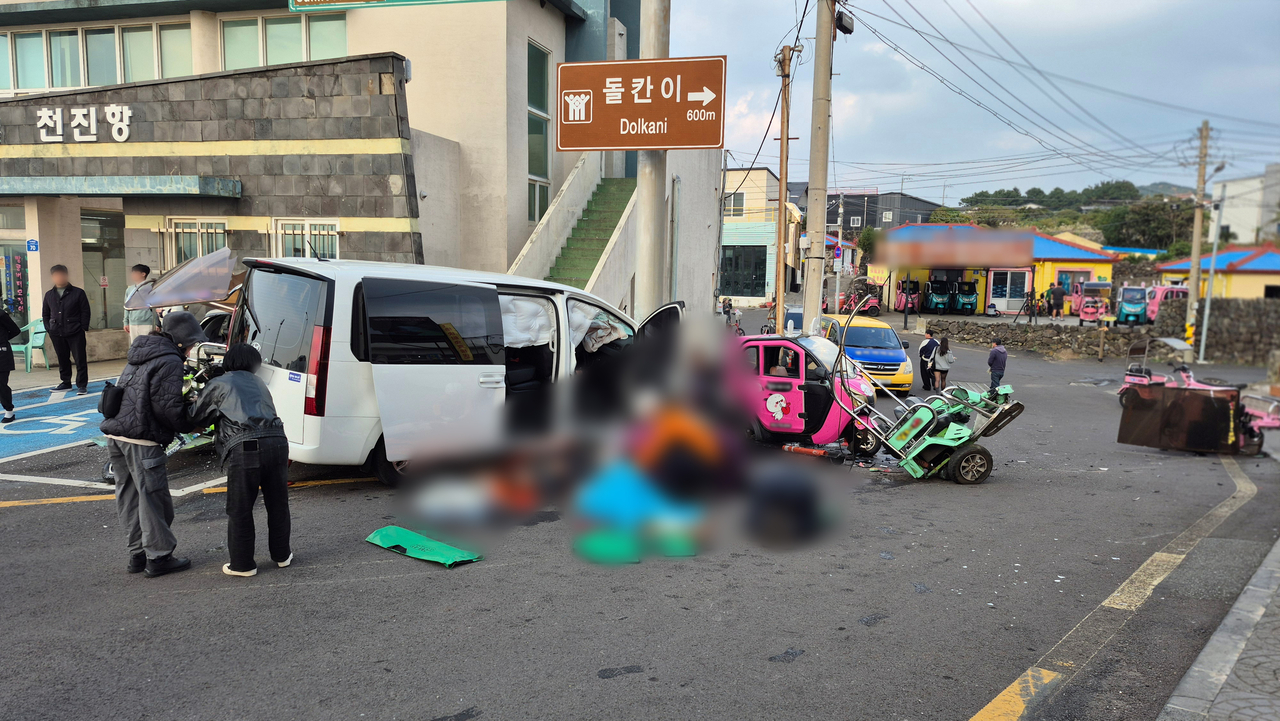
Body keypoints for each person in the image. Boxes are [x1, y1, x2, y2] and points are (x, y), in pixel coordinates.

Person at [187, 344, 292, 577]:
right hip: (278, 443)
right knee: (278, 504)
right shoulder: (260, 383)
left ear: (229, 361)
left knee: (241, 507)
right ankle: (282, 555)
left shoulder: (220, 383)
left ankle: (243, 564)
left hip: (246, 447)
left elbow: (196, 417)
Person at [99, 329, 192, 577]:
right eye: (191, 345)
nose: (191, 351)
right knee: (153, 498)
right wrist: (191, 423)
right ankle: (159, 557)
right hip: (141, 438)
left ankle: (137, 554)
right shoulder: (170, 360)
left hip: (115, 435)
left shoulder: (139, 353)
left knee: (129, 496)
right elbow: (167, 408)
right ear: (181, 343)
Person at [42, 265, 91, 395]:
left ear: (66, 275)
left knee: (80, 358)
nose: (59, 277)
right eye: (56, 275)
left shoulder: (78, 293)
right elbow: (45, 314)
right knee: (62, 358)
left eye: (61, 275)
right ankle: (65, 382)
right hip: (56, 332)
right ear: (52, 277)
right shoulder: (49, 295)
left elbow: (85, 311)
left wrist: (82, 327)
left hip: (75, 331)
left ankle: (82, 385)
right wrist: (49, 328)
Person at [124, 264, 158, 346]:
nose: (132, 275)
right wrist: (126, 322)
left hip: (148, 322)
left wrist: (157, 323)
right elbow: (126, 306)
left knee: (148, 345)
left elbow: (155, 306)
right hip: (133, 323)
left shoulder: (151, 287)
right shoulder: (129, 289)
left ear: (143, 274)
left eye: (135, 272)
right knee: (135, 346)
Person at [0, 303, 19, 424]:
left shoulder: (1, 314)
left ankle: (9, 410)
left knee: (1, 384)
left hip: (2, 353)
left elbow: (15, 330)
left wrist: (2, 339)